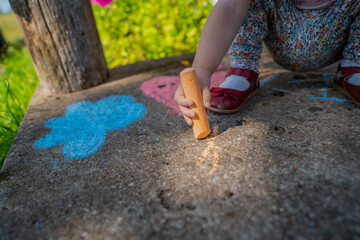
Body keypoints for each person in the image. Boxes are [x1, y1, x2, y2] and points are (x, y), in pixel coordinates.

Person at [174, 0, 360, 126]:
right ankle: (242, 69)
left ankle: (353, 67)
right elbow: (231, 7)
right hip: (281, 23)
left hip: (340, 21)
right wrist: (202, 69)